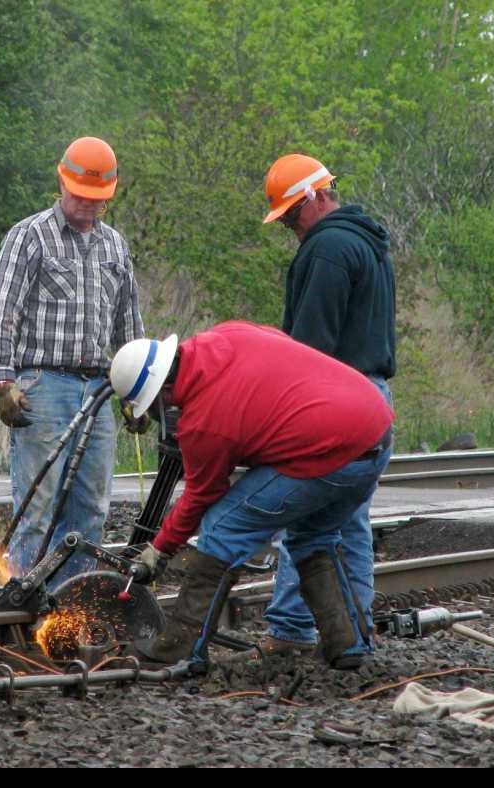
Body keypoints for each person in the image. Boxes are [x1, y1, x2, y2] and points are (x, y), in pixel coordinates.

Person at [110, 321, 394, 669]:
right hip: (375, 430)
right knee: (313, 535)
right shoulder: (227, 334)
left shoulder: (203, 422)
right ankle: (347, 644)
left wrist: (160, 548)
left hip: (331, 449)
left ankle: (180, 651)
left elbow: (202, 495)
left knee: (221, 528)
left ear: (163, 392)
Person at [0, 136, 147, 589]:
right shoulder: (29, 236)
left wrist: (139, 391)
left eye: (98, 201)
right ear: (62, 181)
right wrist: (3, 381)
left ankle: (69, 608)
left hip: (98, 389)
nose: (88, 206)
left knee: (90, 511)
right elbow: (4, 312)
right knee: (36, 505)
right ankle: (23, 600)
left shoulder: (115, 247)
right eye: (81, 196)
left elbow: (129, 327)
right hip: (43, 385)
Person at [259, 153, 397, 656]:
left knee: (305, 513)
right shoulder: (367, 241)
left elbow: (309, 350)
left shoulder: (328, 250)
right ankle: (354, 632)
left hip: (336, 402)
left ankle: (292, 631)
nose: (292, 227)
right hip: (373, 397)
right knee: (350, 521)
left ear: (317, 196)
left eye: (294, 214)